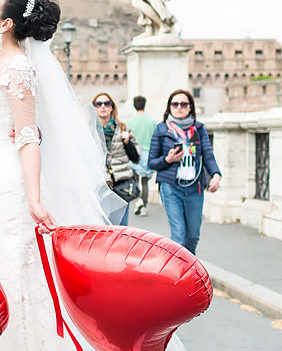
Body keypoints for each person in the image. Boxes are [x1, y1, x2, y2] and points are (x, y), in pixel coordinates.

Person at [0, 0, 204, 351]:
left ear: (6, 24)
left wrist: (33, 197)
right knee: (3, 280)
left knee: (18, 283)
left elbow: (28, 136)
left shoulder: (21, 69)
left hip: (11, 187)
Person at [147, 90, 221, 253]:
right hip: (171, 187)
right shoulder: (161, 129)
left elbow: (208, 155)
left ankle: (190, 271)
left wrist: (216, 174)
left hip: (195, 188)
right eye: (175, 104)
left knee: (192, 236)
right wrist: (168, 159)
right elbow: (151, 162)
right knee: (178, 236)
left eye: (184, 104)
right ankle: (180, 276)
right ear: (169, 107)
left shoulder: (199, 129)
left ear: (190, 107)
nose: (179, 107)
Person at [93, 91, 137, 226]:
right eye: (98, 104)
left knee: (121, 229)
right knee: (102, 228)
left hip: (120, 186)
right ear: (94, 108)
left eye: (107, 103)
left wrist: (127, 142)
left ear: (112, 107)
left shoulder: (123, 128)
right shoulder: (88, 131)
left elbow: (136, 157)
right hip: (99, 186)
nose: (103, 106)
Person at [126, 95, 155, 215]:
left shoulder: (129, 122)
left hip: (135, 154)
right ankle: (143, 205)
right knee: (145, 182)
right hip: (148, 154)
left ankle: (138, 201)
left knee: (136, 180)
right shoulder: (152, 121)